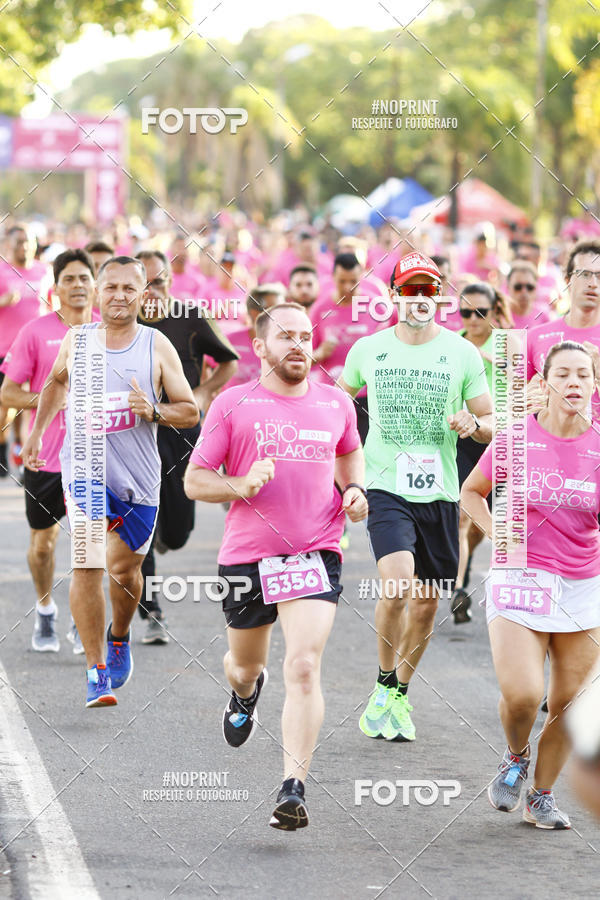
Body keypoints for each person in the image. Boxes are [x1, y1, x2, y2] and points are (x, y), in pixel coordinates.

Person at [184, 303, 367, 831]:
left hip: (316, 549)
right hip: (247, 556)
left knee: (305, 666)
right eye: (285, 337)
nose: (298, 346)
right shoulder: (233, 403)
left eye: (306, 337)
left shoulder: (336, 403)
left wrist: (353, 489)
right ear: (258, 347)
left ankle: (293, 786)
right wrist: (240, 484)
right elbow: (195, 482)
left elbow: (348, 453)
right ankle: (243, 691)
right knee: (245, 665)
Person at [21, 256, 199, 707]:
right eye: (112, 287)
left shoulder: (156, 346)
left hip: (139, 479)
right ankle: (96, 671)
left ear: (143, 295)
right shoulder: (76, 341)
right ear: (99, 292)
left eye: (129, 289)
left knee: (125, 572)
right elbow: (56, 384)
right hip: (83, 468)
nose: (119, 296)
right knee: (87, 562)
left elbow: (190, 410)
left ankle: (119, 635)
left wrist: (154, 411)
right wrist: (39, 432)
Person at [339, 251, 492, 742]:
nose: (420, 299)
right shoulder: (368, 349)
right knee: (398, 583)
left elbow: (491, 423)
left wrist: (475, 425)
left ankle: (400, 691)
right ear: (392, 296)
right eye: (411, 290)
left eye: (429, 290)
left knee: (427, 603)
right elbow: (338, 405)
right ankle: (384, 680)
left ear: (439, 297)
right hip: (385, 483)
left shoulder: (462, 353)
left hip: (440, 490)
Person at [461, 341, 600, 830]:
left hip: (583, 584)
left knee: (569, 702)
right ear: (544, 382)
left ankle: (540, 795)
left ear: (594, 384)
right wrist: (498, 533)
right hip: (520, 572)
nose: (575, 384)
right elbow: (471, 494)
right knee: (522, 694)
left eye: (584, 375)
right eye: (563, 374)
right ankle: (516, 756)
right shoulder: (516, 438)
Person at [136, 250, 239, 643]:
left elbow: (228, 361)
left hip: (182, 432)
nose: (151, 291)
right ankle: (152, 610)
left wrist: (202, 393)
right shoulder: (121, 325)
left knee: (177, 531)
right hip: (136, 434)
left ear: (169, 283)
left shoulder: (189, 316)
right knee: (142, 521)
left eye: (158, 281)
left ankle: (166, 535)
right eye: (142, 283)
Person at [0, 249, 95, 653]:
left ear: (95, 285)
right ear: (55, 289)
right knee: (43, 544)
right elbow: (8, 392)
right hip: (46, 458)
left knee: (88, 546)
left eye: (83, 278)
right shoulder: (36, 333)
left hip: (96, 460)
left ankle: (81, 617)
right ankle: (44, 610)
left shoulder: (112, 333)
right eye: (68, 279)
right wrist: (53, 399)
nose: (77, 286)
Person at [450, 283, 513, 623]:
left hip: (500, 439)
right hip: (462, 437)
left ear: (493, 312)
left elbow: (528, 387)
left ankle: (495, 580)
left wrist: (502, 366)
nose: (472, 319)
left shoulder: (507, 344)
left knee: (484, 521)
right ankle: (459, 589)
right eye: (465, 312)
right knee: (463, 513)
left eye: (480, 313)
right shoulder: (453, 344)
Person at [312, 252, 389, 443]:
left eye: (353, 281)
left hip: (368, 396)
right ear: (332, 278)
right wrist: (320, 352)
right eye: (342, 281)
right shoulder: (320, 309)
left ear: (362, 276)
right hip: (331, 395)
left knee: (365, 453)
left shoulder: (377, 307)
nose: (348, 287)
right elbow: (305, 357)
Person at [527, 240, 600, 418]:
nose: (593, 283)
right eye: (584, 274)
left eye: (599, 275)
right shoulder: (535, 336)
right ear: (567, 280)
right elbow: (507, 410)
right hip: (546, 442)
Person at [0, 224, 48, 475]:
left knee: (27, 405)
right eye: (18, 242)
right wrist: (4, 302)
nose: (23, 246)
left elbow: (53, 303)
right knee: (4, 406)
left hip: (35, 351)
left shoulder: (44, 271)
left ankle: (21, 447)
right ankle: (6, 450)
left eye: (28, 241)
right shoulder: (1, 270)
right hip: (4, 349)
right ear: (9, 245)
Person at [217, 284, 284, 388]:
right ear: (255, 313)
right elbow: (207, 363)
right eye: (275, 310)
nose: (282, 315)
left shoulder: (288, 344)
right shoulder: (230, 341)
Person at [506, 260, 551, 329]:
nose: (524, 291)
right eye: (518, 287)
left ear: (536, 288)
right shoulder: (499, 317)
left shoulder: (543, 317)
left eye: (529, 287)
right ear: (508, 287)